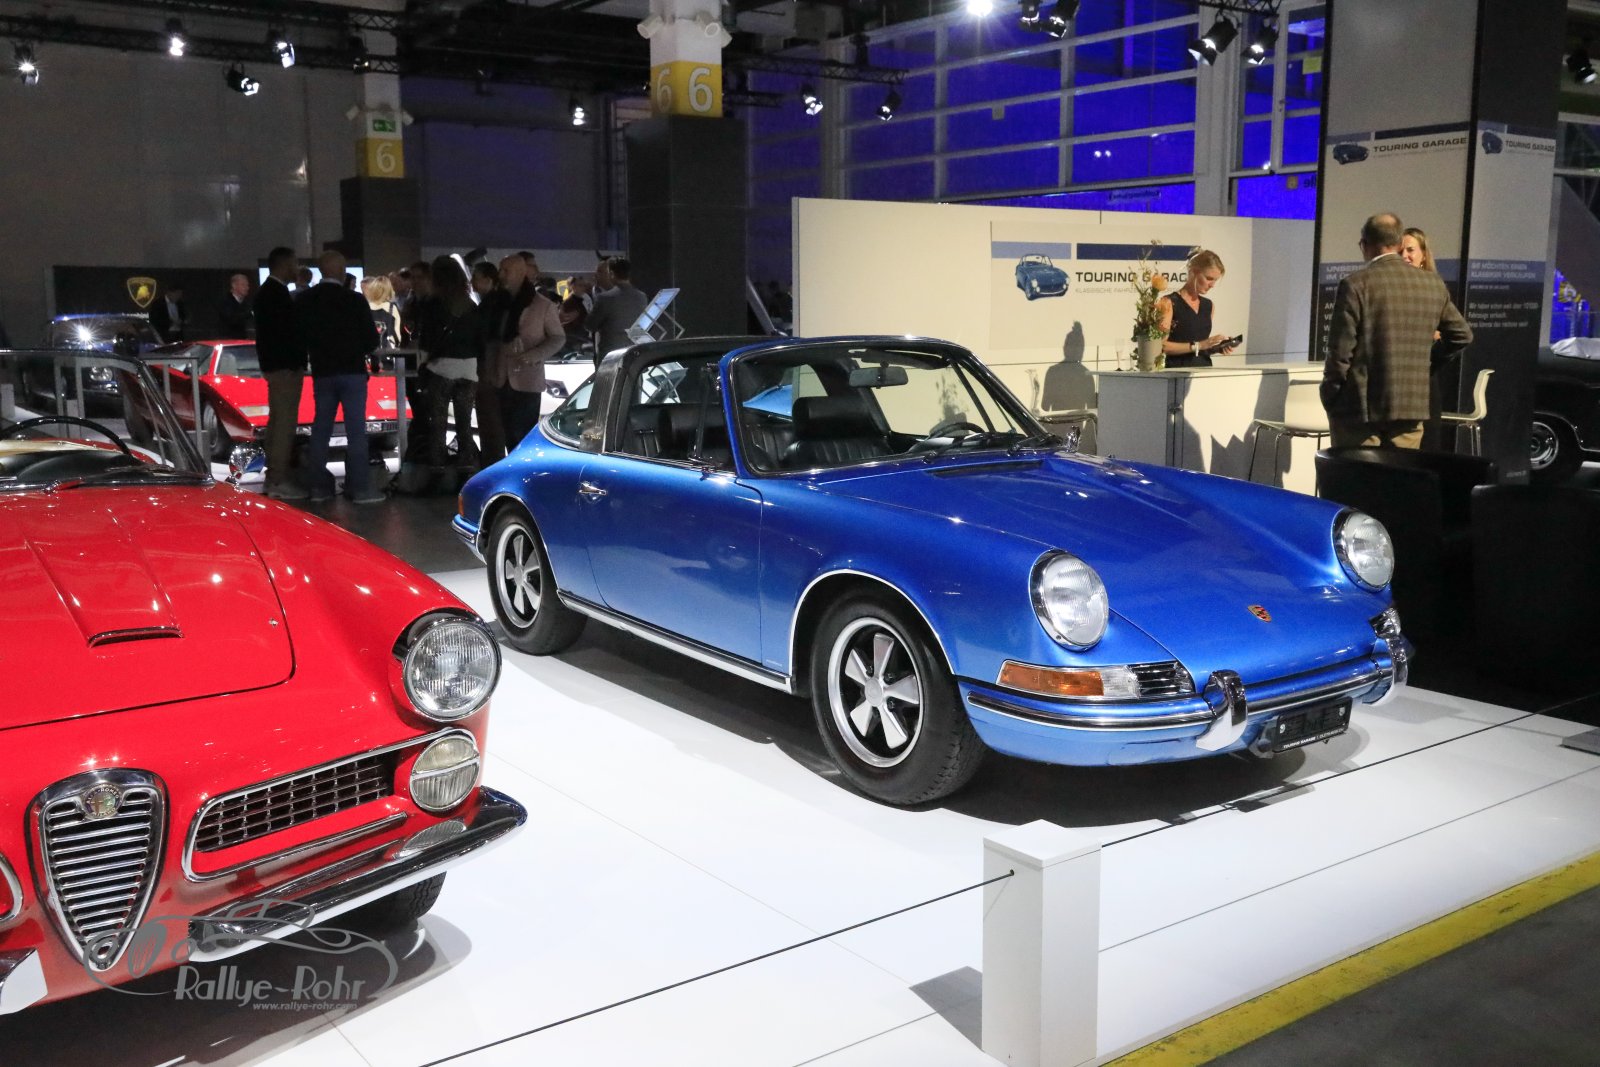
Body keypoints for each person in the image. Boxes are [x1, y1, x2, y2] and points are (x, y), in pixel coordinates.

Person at [1321, 213, 1473, 450]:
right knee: (1400, 473)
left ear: (1364, 245)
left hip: (1360, 409)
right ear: (1400, 243)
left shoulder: (1355, 285)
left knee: (1357, 472)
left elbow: (1340, 352)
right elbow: (1462, 335)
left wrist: (1331, 397)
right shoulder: (1432, 284)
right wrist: (1428, 362)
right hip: (1410, 406)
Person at [296, 249, 384, 503]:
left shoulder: (306, 299)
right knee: (356, 431)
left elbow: (299, 336)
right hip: (352, 371)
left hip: (322, 371)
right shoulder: (354, 300)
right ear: (343, 271)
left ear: (320, 270)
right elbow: (371, 340)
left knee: (321, 429)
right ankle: (359, 488)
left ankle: (318, 487)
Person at [416, 255, 483, 472]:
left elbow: (426, 340)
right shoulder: (470, 305)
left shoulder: (434, 305)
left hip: (441, 368)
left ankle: (438, 468)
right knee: (465, 423)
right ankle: (466, 464)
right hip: (469, 369)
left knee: (438, 423)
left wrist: (422, 364)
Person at [492, 253, 564, 451]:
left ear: (520, 273)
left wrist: (536, 354)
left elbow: (558, 337)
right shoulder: (498, 303)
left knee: (522, 434)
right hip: (500, 377)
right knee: (507, 434)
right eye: (500, 269)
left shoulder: (543, 305)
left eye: (506, 270)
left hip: (527, 379)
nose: (501, 274)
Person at [257, 247, 307, 500]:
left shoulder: (267, 293)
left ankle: (274, 476)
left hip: (276, 367)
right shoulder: (275, 295)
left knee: (277, 421)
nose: (296, 268)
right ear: (284, 264)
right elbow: (286, 334)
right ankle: (278, 478)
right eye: (294, 263)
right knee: (284, 424)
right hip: (284, 368)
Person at [1158, 250, 1235, 368]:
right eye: (1209, 278)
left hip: (1204, 372)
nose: (1212, 285)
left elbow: (1200, 348)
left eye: (1215, 280)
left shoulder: (1208, 306)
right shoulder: (1169, 302)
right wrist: (1199, 345)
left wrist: (1217, 348)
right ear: (1194, 272)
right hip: (1177, 372)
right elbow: (1160, 346)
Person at [586, 256, 648, 364]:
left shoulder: (605, 298)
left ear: (611, 274)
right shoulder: (642, 297)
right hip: (633, 354)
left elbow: (590, 325)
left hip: (610, 356)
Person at [361, 275, 399, 349]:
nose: (363, 293)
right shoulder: (392, 307)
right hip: (382, 349)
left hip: (378, 349)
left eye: (365, 289)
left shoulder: (366, 307)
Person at [219, 273, 253, 337]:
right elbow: (232, 319)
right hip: (227, 339)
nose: (247, 288)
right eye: (243, 285)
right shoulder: (225, 302)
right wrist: (251, 313)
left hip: (242, 339)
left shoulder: (247, 303)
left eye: (247, 285)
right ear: (234, 286)